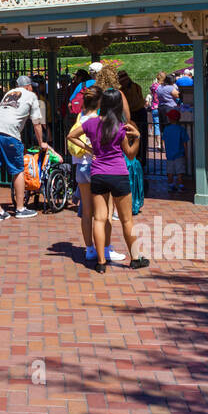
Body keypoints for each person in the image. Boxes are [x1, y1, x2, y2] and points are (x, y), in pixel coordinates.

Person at [65, 86, 148, 271]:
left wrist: (89, 149)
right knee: (127, 220)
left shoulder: (91, 123)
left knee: (99, 219)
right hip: (118, 174)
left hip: (98, 174)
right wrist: (138, 138)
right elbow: (131, 154)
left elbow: (71, 136)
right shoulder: (120, 127)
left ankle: (101, 262)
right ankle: (135, 258)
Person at [66, 84, 125, 265]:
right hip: (97, 167)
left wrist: (84, 148)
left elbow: (71, 136)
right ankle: (105, 248)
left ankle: (90, 249)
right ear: (100, 102)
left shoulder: (81, 116)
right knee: (105, 211)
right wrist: (91, 149)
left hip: (81, 168)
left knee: (86, 211)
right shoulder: (99, 119)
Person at [0, 75, 52, 221]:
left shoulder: (9, 93)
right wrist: (42, 143)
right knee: (18, 170)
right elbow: (37, 123)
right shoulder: (31, 96)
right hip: (9, 134)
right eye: (31, 86)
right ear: (28, 86)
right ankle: (20, 208)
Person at [118, 70, 148, 168]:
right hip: (134, 114)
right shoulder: (133, 87)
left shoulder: (131, 88)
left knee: (138, 138)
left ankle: (139, 160)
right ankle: (136, 160)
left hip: (136, 114)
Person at [162, 108, 189, 192]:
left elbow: (164, 140)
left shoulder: (166, 129)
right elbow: (185, 143)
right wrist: (186, 153)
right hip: (179, 154)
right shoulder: (181, 129)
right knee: (179, 171)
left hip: (169, 154)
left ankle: (171, 185)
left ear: (170, 119)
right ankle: (181, 186)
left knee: (170, 171)